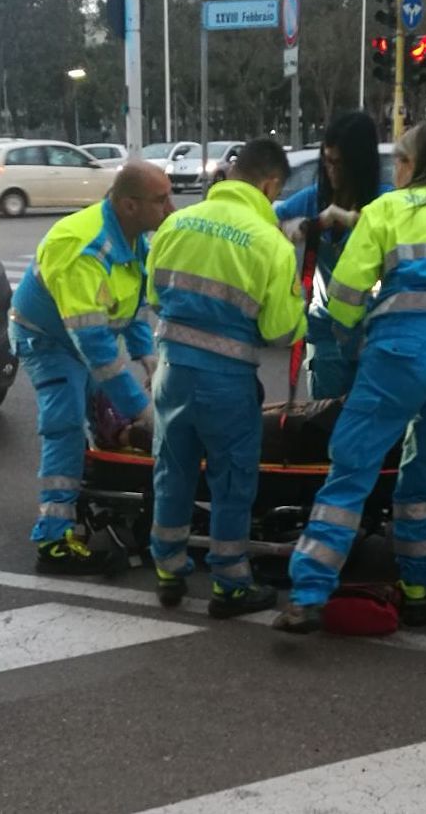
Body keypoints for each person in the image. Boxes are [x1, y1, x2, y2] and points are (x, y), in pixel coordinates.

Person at [273, 122, 426, 634]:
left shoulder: (387, 211)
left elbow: (347, 292)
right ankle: (416, 591)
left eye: (399, 160)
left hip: (399, 353)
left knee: (351, 469)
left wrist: (357, 331)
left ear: (412, 165)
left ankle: (309, 593)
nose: (394, 169)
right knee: (424, 482)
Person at [146, 139, 307, 618]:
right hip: (227, 382)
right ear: (270, 184)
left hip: (172, 373)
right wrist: (299, 315)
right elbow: (278, 329)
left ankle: (169, 570)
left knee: (171, 472)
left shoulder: (176, 223)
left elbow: (154, 294)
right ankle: (230, 583)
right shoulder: (270, 243)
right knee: (232, 481)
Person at [10, 162, 174, 574]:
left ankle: (96, 488)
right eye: (161, 199)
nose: (170, 207)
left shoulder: (133, 240)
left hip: (79, 337)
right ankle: (53, 539)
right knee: (64, 423)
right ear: (129, 204)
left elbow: (130, 306)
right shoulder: (82, 249)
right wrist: (142, 409)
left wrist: (148, 359)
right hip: (48, 342)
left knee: (105, 420)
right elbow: (96, 348)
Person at [274, 111, 390, 399]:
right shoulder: (314, 199)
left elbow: (399, 236)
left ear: (359, 163)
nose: (331, 171)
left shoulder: (385, 201)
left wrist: (353, 220)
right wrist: (299, 227)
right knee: (323, 423)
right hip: (324, 335)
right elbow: (268, 223)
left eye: (339, 163)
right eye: (327, 161)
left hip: (373, 335)